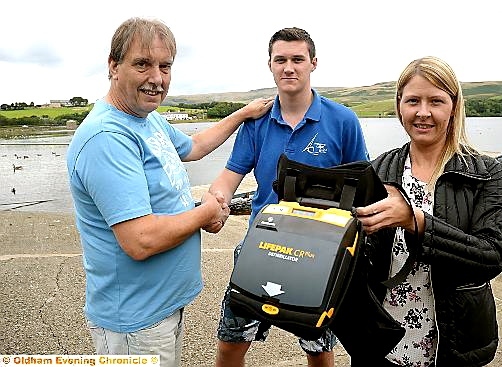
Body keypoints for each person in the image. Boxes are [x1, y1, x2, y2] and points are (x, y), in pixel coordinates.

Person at [65, 17, 273, 367]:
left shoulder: (147, 119)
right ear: (114, 66)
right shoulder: (108, 138)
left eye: (165, 66)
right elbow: (140, 240)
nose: (157, 78)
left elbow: (193, 147)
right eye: (143, 64)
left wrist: (242, 115)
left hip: (160, 308)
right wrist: (205, 213)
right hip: (136, 320)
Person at [208, 27, 370, 367]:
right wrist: (217, 202)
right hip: (260, 244)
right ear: (270, 64)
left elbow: (362, 189)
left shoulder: (343, 121)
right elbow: (229, 177)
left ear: (313, 63)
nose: (289, 67)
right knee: (230, 343)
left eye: (298, 59)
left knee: (320, 349)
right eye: (280, 60)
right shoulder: (256, 123)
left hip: (322, 254)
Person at [351, 56, 502, 366]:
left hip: (453, 345)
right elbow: (360, 258)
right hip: (382, 342)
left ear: (453, 106)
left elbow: (493, 256)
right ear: (399, 105)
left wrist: (416, 221)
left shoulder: (483, 172)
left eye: (435, 101)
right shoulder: (377, 170)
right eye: (413, 101)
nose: (423, 112)